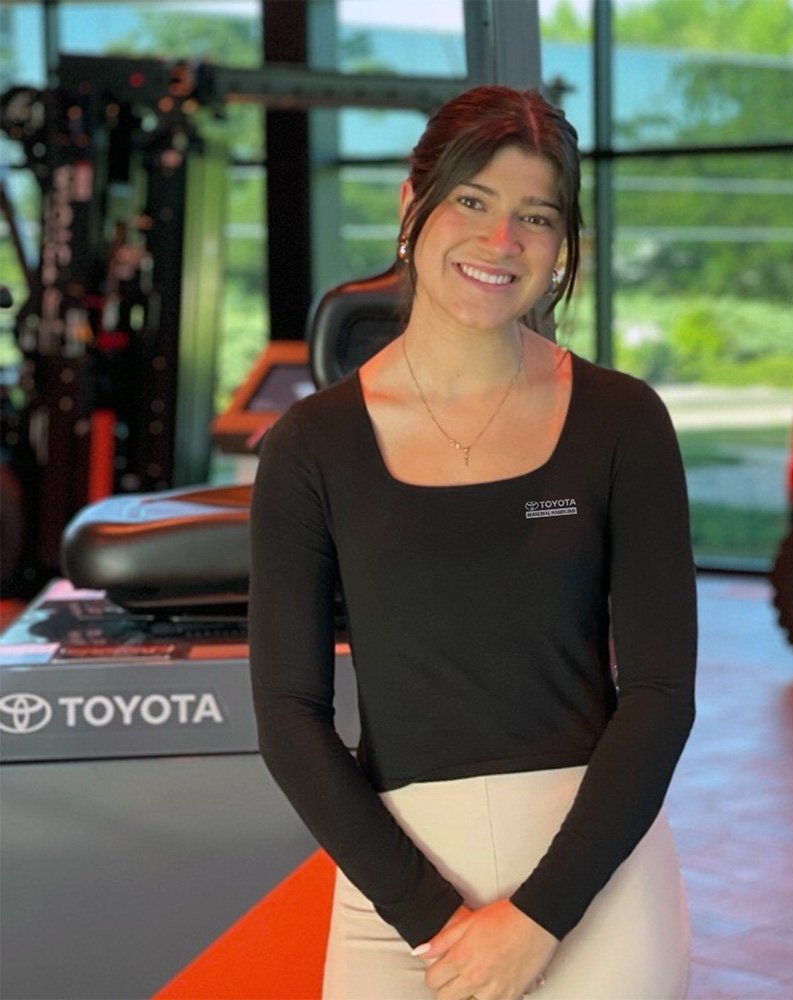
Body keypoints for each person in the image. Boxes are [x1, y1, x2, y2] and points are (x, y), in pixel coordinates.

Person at [249, 85, 697, 1000]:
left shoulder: (623, 421)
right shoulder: (312, 446)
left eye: (536, 216)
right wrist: (437, 924)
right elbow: (289, 715)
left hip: (594, 874)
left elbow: (660, 692)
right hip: (399, 888)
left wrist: (537, 920)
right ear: (412, 206)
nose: (502, 244)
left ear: (562, 246)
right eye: (474, 202)